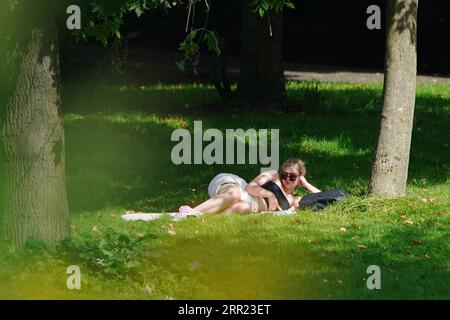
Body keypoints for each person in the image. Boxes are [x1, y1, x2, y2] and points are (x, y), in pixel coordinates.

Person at [178, 158, 321, 216]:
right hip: (236, 186)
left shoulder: (295, 200)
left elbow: (323, 198)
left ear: (299, 177)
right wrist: (270, 195)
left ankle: (198, 219)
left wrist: (307, 184)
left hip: (249, 204)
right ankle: (185, 215)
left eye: (293, 177)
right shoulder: (273, 175)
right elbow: (250, 188)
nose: (287, 179)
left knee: (244, 207)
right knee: (234, 195)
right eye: (285, 175)